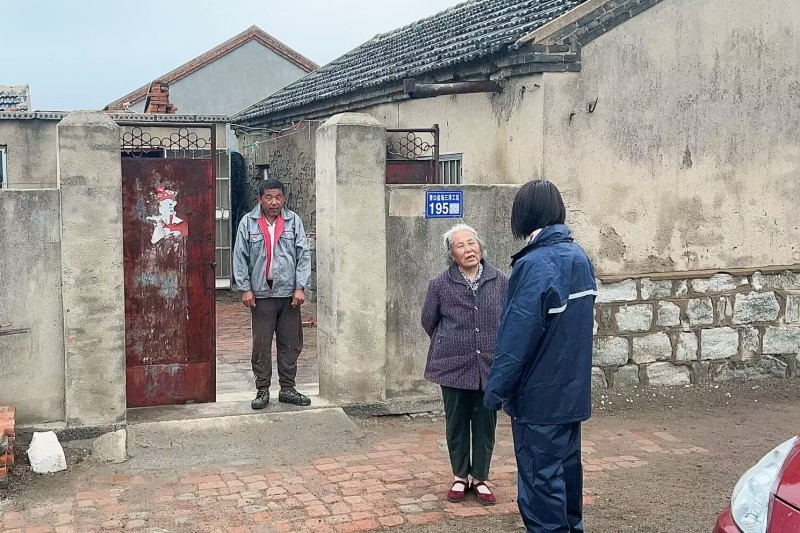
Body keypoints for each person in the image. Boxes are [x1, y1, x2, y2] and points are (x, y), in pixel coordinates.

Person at [484, 180, 596, 533]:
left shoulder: (534, 264)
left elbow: (517, 336)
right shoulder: (579, 258)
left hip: (538, 397)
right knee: (567, 473)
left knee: (540, 482)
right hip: (571, 392)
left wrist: (495, 391)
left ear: (524, 214)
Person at [421, 224, 509, 506]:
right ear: (452, 254)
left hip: (489, 364)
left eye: (472, 243)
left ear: (480, 247)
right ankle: (460, 476)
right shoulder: (439, 284)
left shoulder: (500, 281)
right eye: (460, 246)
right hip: (452, 365)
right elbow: (429, 321)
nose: (469, 249)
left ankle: (480, 478)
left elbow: (509, 318)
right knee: (457, 421)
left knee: (485, 423)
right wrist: (453, 343)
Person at [233, 179, 312, 409]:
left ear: (284, 198)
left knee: (291, 343)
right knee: (261, 344)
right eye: (269, 197)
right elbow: (240, 256)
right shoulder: (248, 222)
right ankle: (262, 390)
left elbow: (303, 255)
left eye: (278, 197)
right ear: (260, 199)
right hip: (261, 294)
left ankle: (287, 388)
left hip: (289, 295)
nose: (274, 202)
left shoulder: (293, 221)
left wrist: (300, 287)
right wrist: (246, 288)